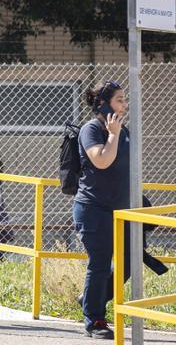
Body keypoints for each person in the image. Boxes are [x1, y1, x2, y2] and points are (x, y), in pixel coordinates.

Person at [74, 79, 131, 339]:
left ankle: (89, 297)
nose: (124, 105)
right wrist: (113, 135)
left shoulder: (124, 130)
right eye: (119, 100)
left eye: (124, 100)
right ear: (103, 104)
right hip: (93, 208)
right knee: (99, 264)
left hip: (120, 209)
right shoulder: (92, 129)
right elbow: (102, 161)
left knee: (129, 262)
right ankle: (94, 319)